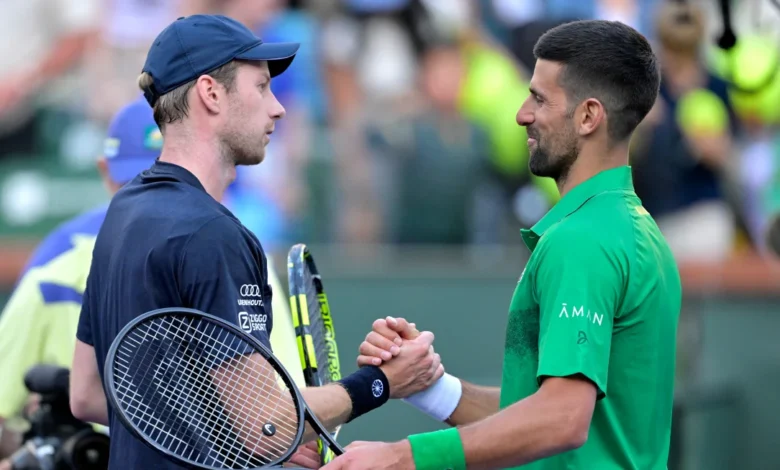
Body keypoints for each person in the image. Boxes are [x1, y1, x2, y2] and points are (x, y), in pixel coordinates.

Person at [68, 14, 444, 470]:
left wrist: (231, 434)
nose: (278, 108)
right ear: (211, 93)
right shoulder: (213, 233)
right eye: (261, 87)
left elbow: (88, 395)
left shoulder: (121, 213)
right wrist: (381, 381)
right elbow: (266, 429)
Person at [325, 20, 682, 470]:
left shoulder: (581, 242)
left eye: (538, 98)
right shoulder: (638, 231)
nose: (521, 114)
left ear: (589, 116)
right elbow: (545, 412)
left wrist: (403, 457)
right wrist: (429, 386)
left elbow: (561, 420)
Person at [0, 96, 161, 459]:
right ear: (105, 172)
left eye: (163, 181)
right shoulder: (54, 269)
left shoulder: (238, 255)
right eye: (133, 181)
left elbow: (270, 412)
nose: (149, 198)